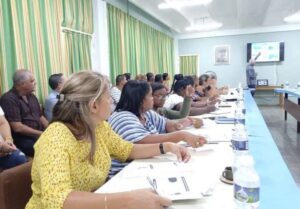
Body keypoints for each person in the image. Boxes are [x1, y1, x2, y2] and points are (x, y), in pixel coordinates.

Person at [26, 71, 190, 209]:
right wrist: (130, 200)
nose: (112, 102)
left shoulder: (98, 127)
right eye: (108, 98)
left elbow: (127, 149)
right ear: (93, 105)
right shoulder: (56, 138)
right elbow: (56, 200)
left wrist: (166, 147)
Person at [108, 80, 206, 176]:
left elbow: (167, 125)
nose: (152, 99)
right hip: (124, 172)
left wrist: (188, 121)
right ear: (140, 100)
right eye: (150, 95)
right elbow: (143, 142)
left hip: (143, 165)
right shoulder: (122, 117)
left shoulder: (145, 113)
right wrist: (182, 135)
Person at [0, 69, 48, 157]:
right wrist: (41, 134)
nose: (35, 83)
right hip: (23, 138)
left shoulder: (32, 96)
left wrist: (50, 128)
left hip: (38, 133)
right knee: (46, 150)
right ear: (22, 84)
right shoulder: (8, 99)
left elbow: (40, 116)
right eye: (32, 81)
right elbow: (18, 128)